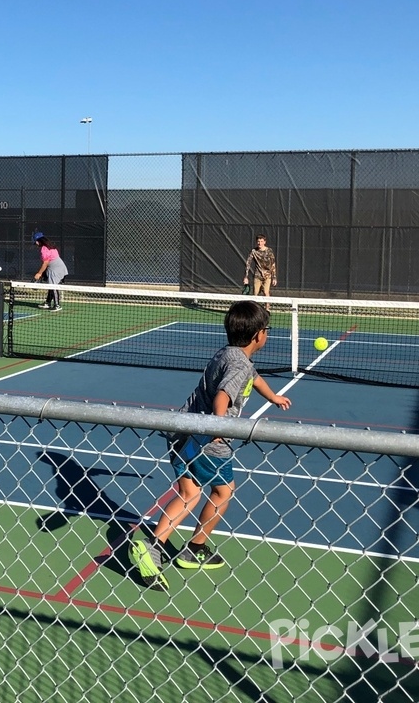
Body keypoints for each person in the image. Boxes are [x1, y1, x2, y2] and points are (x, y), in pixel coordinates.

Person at [129, 299, 291, 590]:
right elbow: (223, 397)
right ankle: (194, 546)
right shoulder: (239, 365)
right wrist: (219, 424)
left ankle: (154, 545)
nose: (267, 333)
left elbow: (254, 378)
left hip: (184, 432)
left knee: (189, 492)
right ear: (258, 336)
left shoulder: (229, 354)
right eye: (267, 329)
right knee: (223, 491)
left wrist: (274, 397)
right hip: (208, 442)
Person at [32, 231, 68, 311]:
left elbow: (46, 262)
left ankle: (57, 305)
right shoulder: (50, 246)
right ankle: (47, 303)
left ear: (39, 241)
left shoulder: (44, 249)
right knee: (51, 285)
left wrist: (39, 273)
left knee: (53, 286)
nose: (36, 244)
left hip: (56, 269)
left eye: (36, 242)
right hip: (56, 267)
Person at [243, 233, 277, 304]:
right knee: (255, 294)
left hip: (268, 276)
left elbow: (273, 264)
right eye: (258, 241)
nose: (260, 243)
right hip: (257, 276)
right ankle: (255, 310)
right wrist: (246, 277)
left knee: (266, 292)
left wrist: (274, 277)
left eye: (261, 241)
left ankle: (267, 309)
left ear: (264, 242)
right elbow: (248, 263)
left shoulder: (269, 251)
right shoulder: (254, 251)